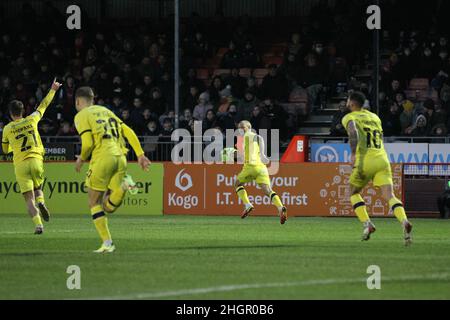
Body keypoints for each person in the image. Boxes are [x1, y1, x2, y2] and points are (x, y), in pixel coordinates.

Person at [74, 87, 151, 253]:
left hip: (103, 158)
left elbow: (87, 143)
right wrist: (140, 155)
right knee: (108, 207)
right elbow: (128, 132)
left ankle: (107, 243)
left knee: (93, 202)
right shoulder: (106, 111)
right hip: (120, 158)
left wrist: (81, 158)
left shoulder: (81, 115)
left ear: (78, 101)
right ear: (93, 99)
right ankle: (124, 186)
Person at [342, 91, 413, 245]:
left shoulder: (349, 117)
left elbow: (353, 131)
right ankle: (404, 221)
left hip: (364, 161)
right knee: (389, 196)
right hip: (382, 159)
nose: (346, 102)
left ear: (352, 103)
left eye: (348, 100)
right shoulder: (375, 117)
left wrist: (353, 153)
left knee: (353, 192)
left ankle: (367, 224)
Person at [1, 78, 62, 234]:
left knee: (29, 199)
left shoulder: (7, 128)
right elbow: (43, 105)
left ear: (10, 113)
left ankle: (38, 225)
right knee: (38, 188)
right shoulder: (32, 119)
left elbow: (5, 150)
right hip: (35, 159)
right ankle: (41, 201)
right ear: (23, 111)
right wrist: (53, 89)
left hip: (20, 164)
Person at [232, 120, 287, 224]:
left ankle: (248, 205)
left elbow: (260, 137)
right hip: (261, 168)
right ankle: (280, 207)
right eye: (239, 127)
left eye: (242, 127)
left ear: (248, 127)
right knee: (268, 190)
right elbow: (242, 155)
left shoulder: (249, 135)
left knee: (237, 184)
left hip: (250, 167)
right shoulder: (244, 140)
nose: (240, 129)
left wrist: (262, 154)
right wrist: (234, 153)